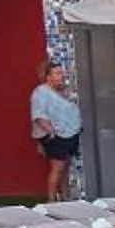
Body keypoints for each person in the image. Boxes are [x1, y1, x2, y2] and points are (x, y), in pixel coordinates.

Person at [29, 60, 82, 201]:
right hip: (54, 135)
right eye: (57, 73)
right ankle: (51, 199)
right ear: (48, 76)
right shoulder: (41, 92)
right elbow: (39, 115)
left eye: (62, 73)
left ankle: (64, 196)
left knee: (65, 166)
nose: (62, 76)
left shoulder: (63, 91)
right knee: (57, 167)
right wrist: (50, 131)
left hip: (70, 133)